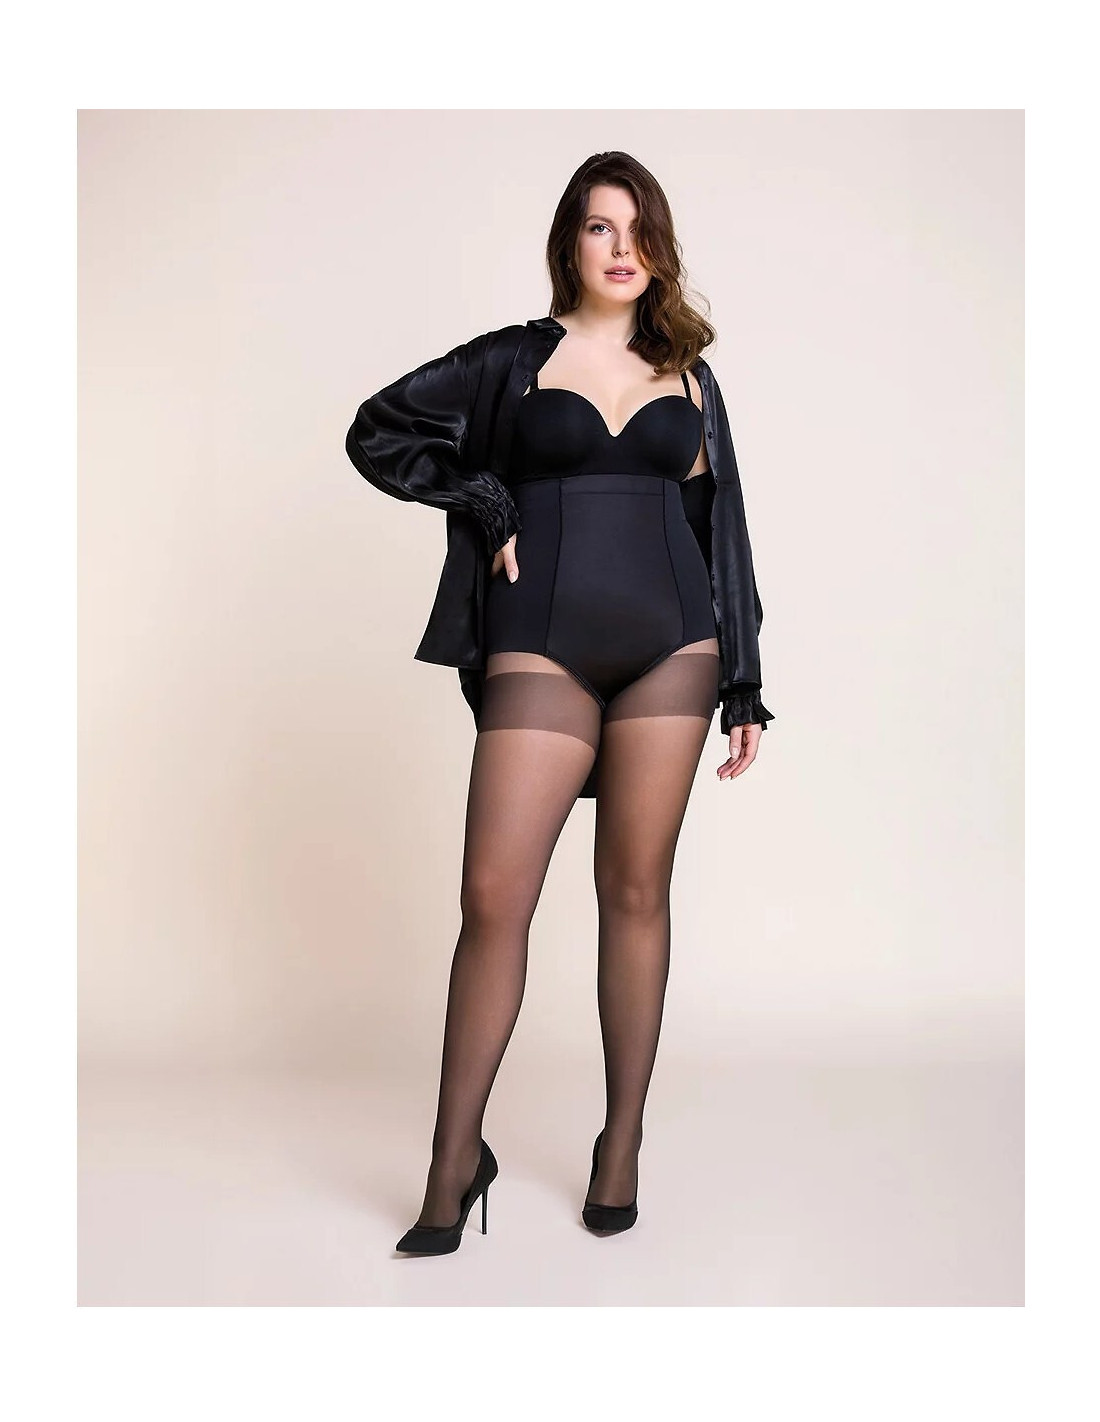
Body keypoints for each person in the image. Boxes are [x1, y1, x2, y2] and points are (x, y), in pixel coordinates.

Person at [345, 151, 774, 1254]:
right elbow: (377, 429)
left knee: (634, 891)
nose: (621, 248)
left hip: (672, 646)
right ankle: (452, 1161)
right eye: (598, 227)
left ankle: (618, 1146)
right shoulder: (512, 359)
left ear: (659, 247)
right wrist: (481, 495)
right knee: (494, 897)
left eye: (638, 229)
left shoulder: (691, 378)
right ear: (569, 243)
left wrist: (743, 677)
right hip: (541, 642)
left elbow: (720, 528)